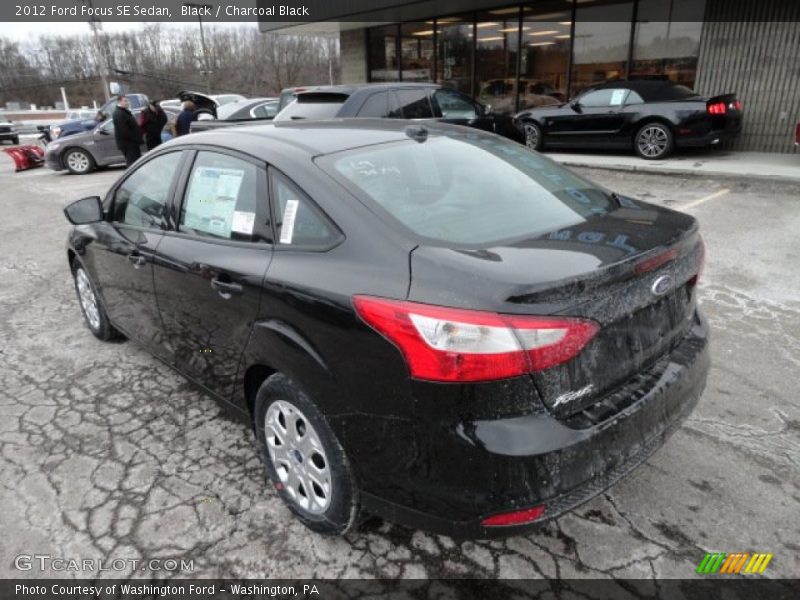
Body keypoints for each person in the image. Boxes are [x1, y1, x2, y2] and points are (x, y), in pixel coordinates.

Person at [112, 95, 143, 167]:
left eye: (127, 101)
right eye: (125, 101)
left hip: (132, 143)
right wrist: (135, 138)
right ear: (119, 101)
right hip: (128, 144)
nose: (127, 102)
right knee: (132, 164)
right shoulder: (118, 113)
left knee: (136, 163)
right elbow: (123, 131)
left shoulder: (124, 111)